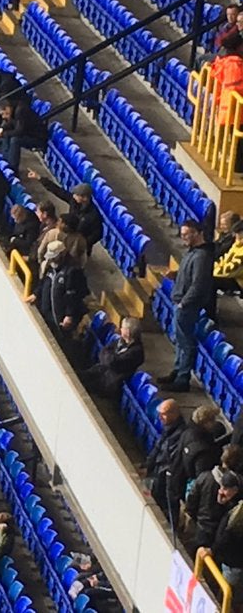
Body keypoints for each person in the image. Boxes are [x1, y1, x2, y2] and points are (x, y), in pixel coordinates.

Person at [160, 221, 215, 393]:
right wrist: (175, 275)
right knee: (180, 340)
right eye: (182, 234)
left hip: (187, 306)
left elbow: (198, 284)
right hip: (181, 303)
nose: (183, 237)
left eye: (187, 234)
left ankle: (183, 378)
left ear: (198, 233)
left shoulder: (202, 256)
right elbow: (188, 276)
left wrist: (184, 302)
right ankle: (177, 371)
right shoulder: (192, 253)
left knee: (186, 342)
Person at [30, 240, 89, 338]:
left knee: (63, 338)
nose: (52, 260)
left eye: (54, 257)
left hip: (62, 318)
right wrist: (36, 294)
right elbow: (44, 281)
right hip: (48, 313)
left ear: (62, 254)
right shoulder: (52, 267)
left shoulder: (73, 271)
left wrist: (69, 314)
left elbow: (73, 296)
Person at [145, 399, 186, 523]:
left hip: (167, 478)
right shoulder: (168, 428)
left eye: (164, 414)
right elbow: (158, 447)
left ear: (174, 414)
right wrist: (148, 465)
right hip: (159, 473)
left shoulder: (180, 434)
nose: (160, 417)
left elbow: (169, 458)